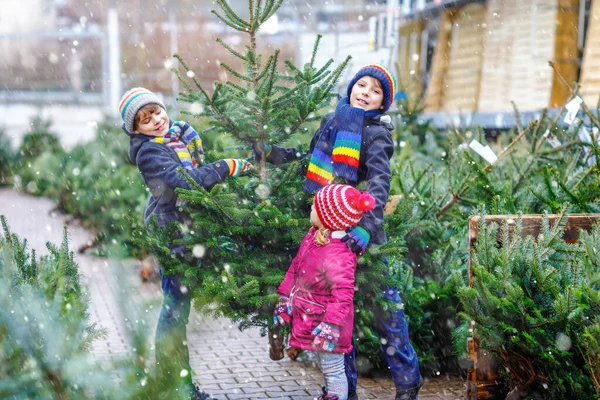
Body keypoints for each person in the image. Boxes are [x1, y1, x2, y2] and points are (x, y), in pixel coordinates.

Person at [255, 65, 422, 400]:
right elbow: (308, 159)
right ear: (350, 89)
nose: (366, 92)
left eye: (375, 91)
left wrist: (366, 228)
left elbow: (378, 185)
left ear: (382, 103)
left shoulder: (377, 134)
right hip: (328, 235)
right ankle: (343, 390)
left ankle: (408, 380)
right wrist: (273, 154)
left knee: (386, 310)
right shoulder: (332, 123)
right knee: (337, 314)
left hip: (363, 235)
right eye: (361, 84)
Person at [119, 87, 252, 400]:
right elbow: (184, 183)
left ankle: (174, 384)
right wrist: (225, 166)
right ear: (136, 129)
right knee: (175, 310)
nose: (156, 120)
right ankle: (174, 385)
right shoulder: (150, 152)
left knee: (179, 309)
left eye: (157, 111)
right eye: (145, 118)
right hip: (174, 237)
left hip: (189, 233)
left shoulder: (177, 138)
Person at [274, 184, 376, 400]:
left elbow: (342, 295)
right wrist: (285, 298)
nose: (310, 209)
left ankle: (337, 396)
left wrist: (331, 326)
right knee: (325, 365)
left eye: (314, 207)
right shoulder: (314, 236)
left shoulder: (339, 252)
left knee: (333, 368)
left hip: (327, 323)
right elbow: (296, 267)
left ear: (329, 217)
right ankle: (331, 394)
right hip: (311, 315)